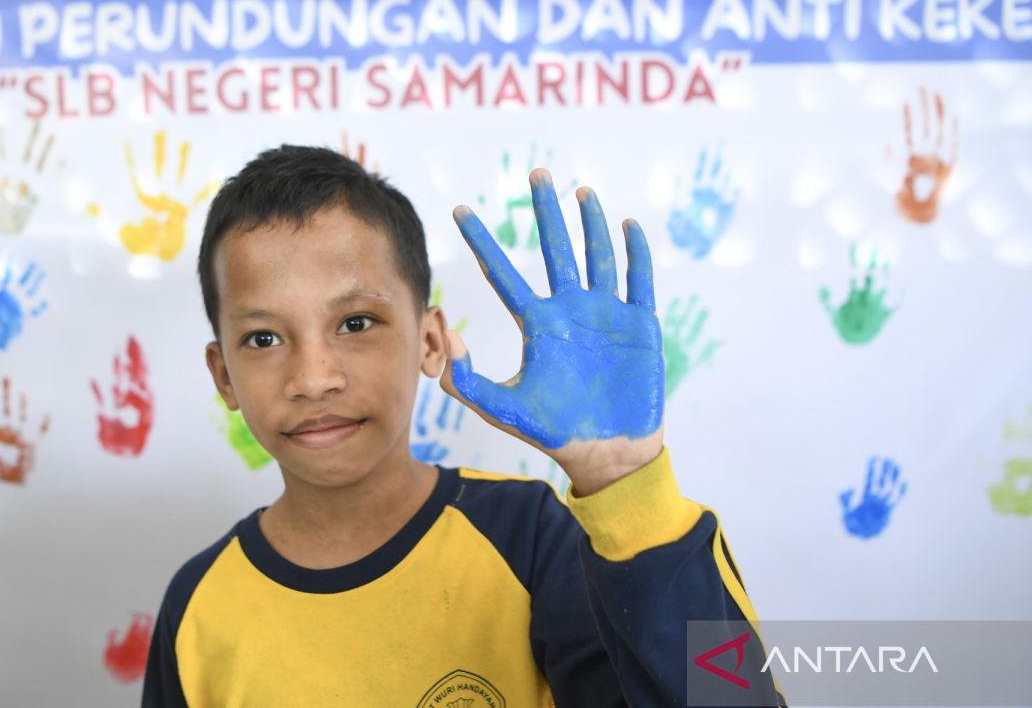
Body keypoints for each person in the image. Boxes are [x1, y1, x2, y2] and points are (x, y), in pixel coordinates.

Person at [142, 145, 781, 707]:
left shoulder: (530, 538)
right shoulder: (198, 606)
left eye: (356, 323)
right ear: (224, 375)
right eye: (263, 338)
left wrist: (628, 489)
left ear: (429, 341)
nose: (314, 378)